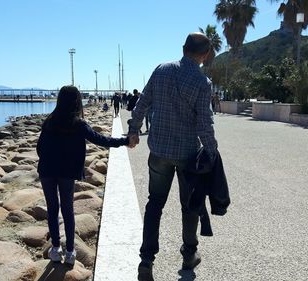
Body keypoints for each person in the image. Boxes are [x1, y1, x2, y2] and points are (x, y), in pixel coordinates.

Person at [128, 32, 218, 281]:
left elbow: (143, 102)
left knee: (154, 204)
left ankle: (146, 261)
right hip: (188, 155)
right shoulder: (202, 82)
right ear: (205, 54)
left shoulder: (161, 70)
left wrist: (134, 130)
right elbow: (205, 123)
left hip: (158, 152)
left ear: (183, 48)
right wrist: (212, 151)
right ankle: (189, 255)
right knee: (189, 207)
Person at [36, 86, 133, 265]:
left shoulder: (49, 121)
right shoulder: (78, 124)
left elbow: (39, 148)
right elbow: (101, 140)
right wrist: (125, 141)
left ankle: (56, 249)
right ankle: (71, 252)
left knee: (52, 209)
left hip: (47, 170)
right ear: (77, 101)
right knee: (67, 209)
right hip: (66, 172)